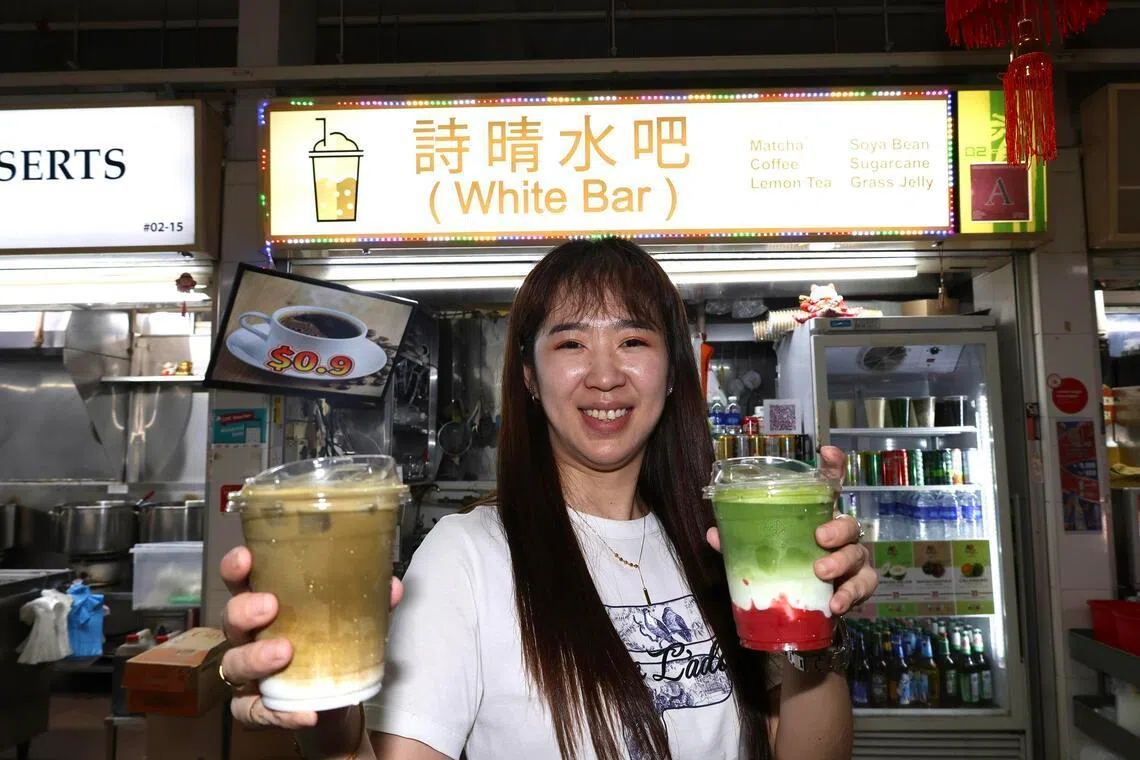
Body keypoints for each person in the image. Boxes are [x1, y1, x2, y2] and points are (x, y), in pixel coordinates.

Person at [219, 237, 877, 759]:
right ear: (530, 377)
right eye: (570, 342)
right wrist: (330, 730)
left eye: (633, 340)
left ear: (672, 372)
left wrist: (818, 632)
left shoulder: (722, 547)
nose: (604, 374)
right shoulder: (468, 557)